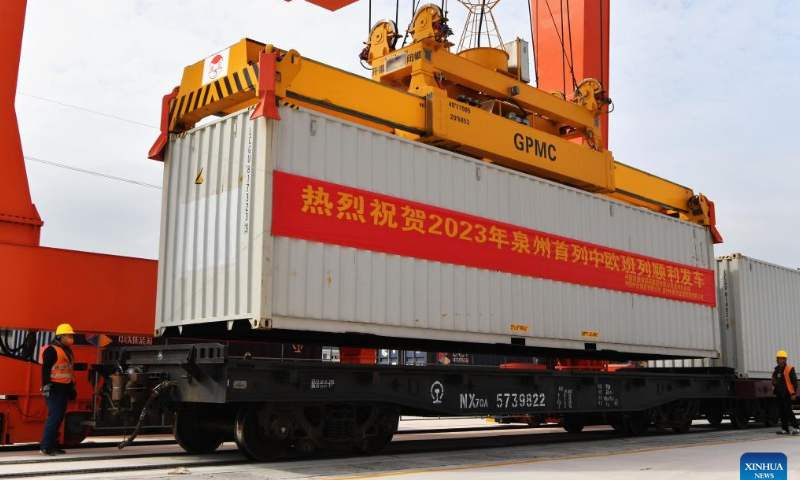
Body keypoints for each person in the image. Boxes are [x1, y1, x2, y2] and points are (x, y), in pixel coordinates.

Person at [39, 323, 77, 455]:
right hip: (54, 388)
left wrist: (72, 388)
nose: (71, 338)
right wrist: (46, 385)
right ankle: (46, 446)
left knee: (59, 417)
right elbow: (45, 368)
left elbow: (69, 371)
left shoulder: (67, 351)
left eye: (72, 336)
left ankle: (52, 445)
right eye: (68, 336)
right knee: (54, 416)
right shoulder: (51, 350)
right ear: (60, 336)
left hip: (65, 388)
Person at [772, 349, 799, 435]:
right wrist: (774, 382)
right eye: (777, 358)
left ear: (784, 359)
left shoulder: (789, 368)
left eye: (779, 358)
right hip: (779, 393)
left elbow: (794, 382)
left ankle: (796, 427)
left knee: (788, 411)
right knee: (781, 412)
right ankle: (785, 429)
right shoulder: (776, 369)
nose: (777, 360)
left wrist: (793, 393)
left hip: (787, 394)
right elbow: (775, 380)